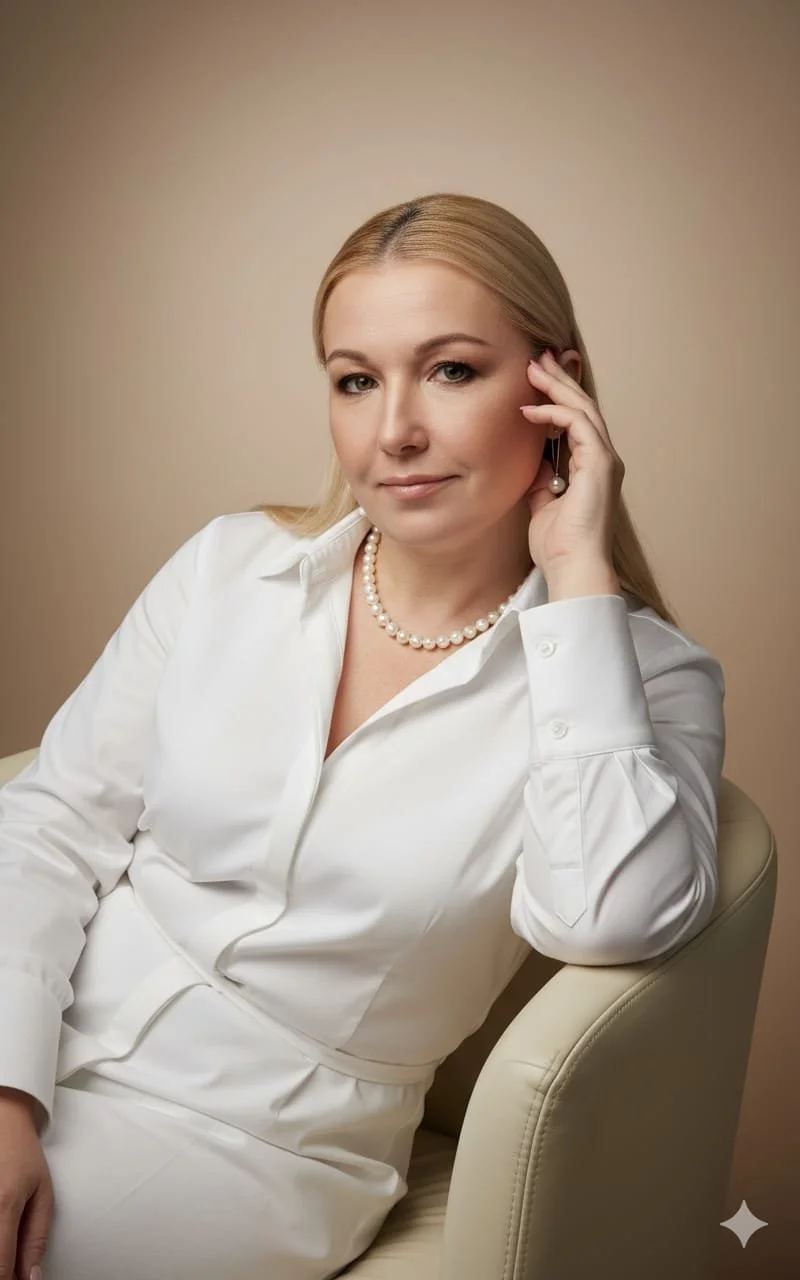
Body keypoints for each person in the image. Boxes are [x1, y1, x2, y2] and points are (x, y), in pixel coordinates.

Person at [0, 192, 725, 1280]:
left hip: (251, 1147)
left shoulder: (642, 680)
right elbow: (51, 822)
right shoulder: (228, 567)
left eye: (449, 370)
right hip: (34, 1028)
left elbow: (610, 915)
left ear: (554, 387)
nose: (393, 430)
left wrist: (576, 581)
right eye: (354, 379)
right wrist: (7, 1085)